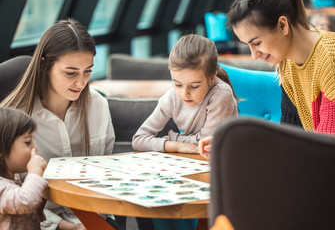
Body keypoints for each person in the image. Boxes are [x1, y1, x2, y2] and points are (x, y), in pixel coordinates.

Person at [199, 0, 335, 158]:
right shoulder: (288, 64)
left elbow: (330, 154)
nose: (254, 55)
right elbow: (290, 138)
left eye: (256, 43)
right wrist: (233, 144)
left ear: (283, 25)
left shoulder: (334, 60)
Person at [1, 19, 115, 230]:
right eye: (71, 73)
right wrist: (68, 227)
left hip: (95, 218)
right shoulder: (13, 118)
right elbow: (11, 196)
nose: (81, 82)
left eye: (88, 71)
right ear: (45, 64)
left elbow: (107, 176)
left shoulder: (98, 105)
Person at [132, 34, 238, 154]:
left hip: (226, 158)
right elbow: (138, 139)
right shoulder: (171, 97)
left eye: (194, 86)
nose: (184, 93)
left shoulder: (221, 95)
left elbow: (205, 144)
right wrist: (177, 146)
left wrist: (171, 138)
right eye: (177, 84)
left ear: (212, 78)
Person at [0, 107, 48, 230]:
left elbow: (33, 214)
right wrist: (35, 173)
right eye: (28, 142)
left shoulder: (13, 179)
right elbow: (26, 201)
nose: (35, 148)